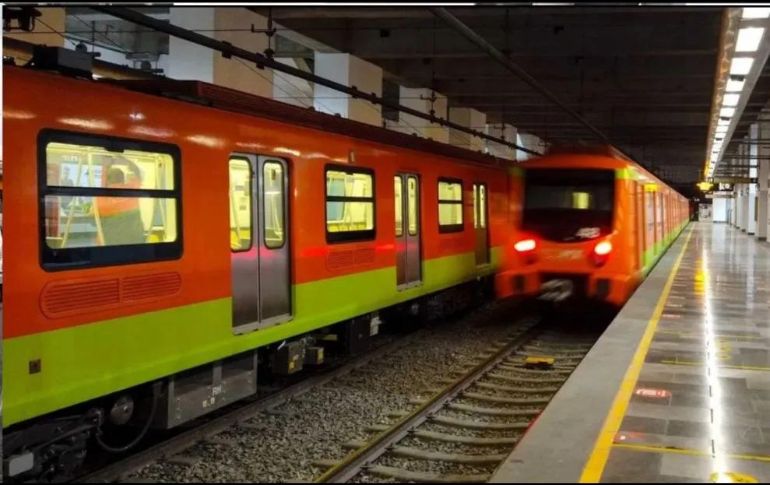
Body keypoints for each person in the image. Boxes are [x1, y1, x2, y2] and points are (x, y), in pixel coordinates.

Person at [95, 156, 146, 246]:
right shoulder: (131, 189)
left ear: (107, 180)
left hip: (108, 243)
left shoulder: (102, 196)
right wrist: (127, 161)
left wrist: (106, 164)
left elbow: (103, 180)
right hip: (135, 241)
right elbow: (138, 174)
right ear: (123, 179)